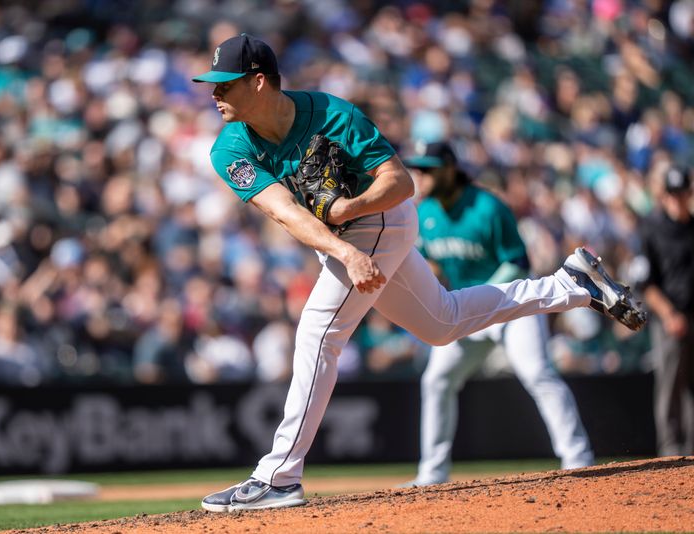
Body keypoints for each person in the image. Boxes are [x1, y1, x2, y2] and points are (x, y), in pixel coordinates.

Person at [191, 34, 645, 512]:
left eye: (224, 84)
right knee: (441, 323)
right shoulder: (229, 147)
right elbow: (285, 211)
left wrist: (351, 207)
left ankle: (279, 476)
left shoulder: (332, 114)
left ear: (259, 82)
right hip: (342, 239)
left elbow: (401, 182)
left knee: (318, 333)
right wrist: (344, 251)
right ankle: (569, 285)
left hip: (382, 217)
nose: (214, 94)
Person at [402, 141, 594, 486]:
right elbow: (429, 263)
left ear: (449, 169)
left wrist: (484, 298)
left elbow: (519, 263)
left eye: (428, 169)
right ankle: (432, 472)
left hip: (511, 305)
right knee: (436, 381)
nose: (421, 176)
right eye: (417, 169)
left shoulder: (487, 206)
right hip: (464, 310)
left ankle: (577, 457)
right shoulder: (425, 213)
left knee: (538, 373)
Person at [638, 166, 694, 456]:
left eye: (682, 193)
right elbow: (646, 282)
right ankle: (671, 450)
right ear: (664, 196)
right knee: (670, 383)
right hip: (669, 318)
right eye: (673, 194)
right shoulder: (652, 228)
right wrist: (670, 315)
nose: (677, 200)